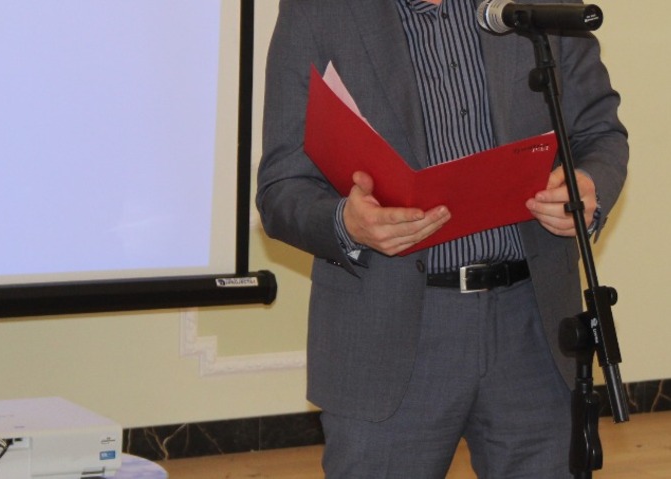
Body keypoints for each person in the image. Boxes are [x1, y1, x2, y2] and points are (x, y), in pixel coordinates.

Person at [255, 0, 628, 478]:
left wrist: (588, 185)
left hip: (532, 329)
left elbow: (600, 133)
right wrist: (347, 223)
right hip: (388, 334)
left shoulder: (530, 8)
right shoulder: (319, 12)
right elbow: (281, 187)